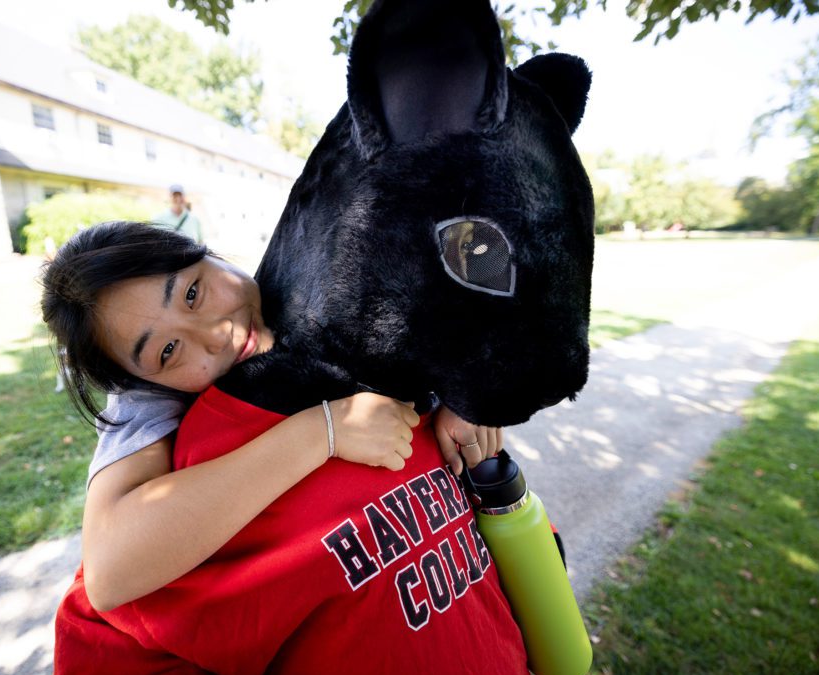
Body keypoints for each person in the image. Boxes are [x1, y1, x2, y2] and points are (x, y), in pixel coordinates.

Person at [40, 221, 503, 613]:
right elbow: (109, 571)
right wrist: (322, 430)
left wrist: (462, 392)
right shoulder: (149, 400)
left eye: (193, 293)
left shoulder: (306, 276)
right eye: (166, 350)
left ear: (211, 255)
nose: (216, 337)